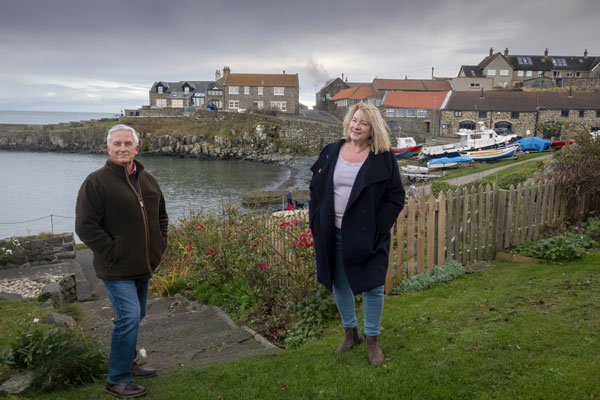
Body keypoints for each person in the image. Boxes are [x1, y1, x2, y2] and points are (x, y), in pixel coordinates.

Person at [75, 124, 168, 398]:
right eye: (117, 144)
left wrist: (159, 245)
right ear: (108, 149)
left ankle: (127, 364)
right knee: (128, 317)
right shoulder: (96, 182)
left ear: (136, 148)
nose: (122, 148)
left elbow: (161, 216)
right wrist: (113, 251)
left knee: (138, 315)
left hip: (144, 264)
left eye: (128, 144)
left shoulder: (148, 180)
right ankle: (117, 379)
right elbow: (85, 226)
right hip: (116, 267)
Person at [309, 102, 405, 366]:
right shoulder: (332, 151)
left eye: (363, 122)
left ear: (373, 128)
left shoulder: (383, 157)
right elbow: (315, 188)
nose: (356, 126)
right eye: (354, 120)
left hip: (368, 236)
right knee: (340, 284)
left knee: (373, 287)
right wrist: (315, 220)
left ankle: (372, 341)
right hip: (333, 233)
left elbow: (396, 197)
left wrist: (378, 227)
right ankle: (350, 334)